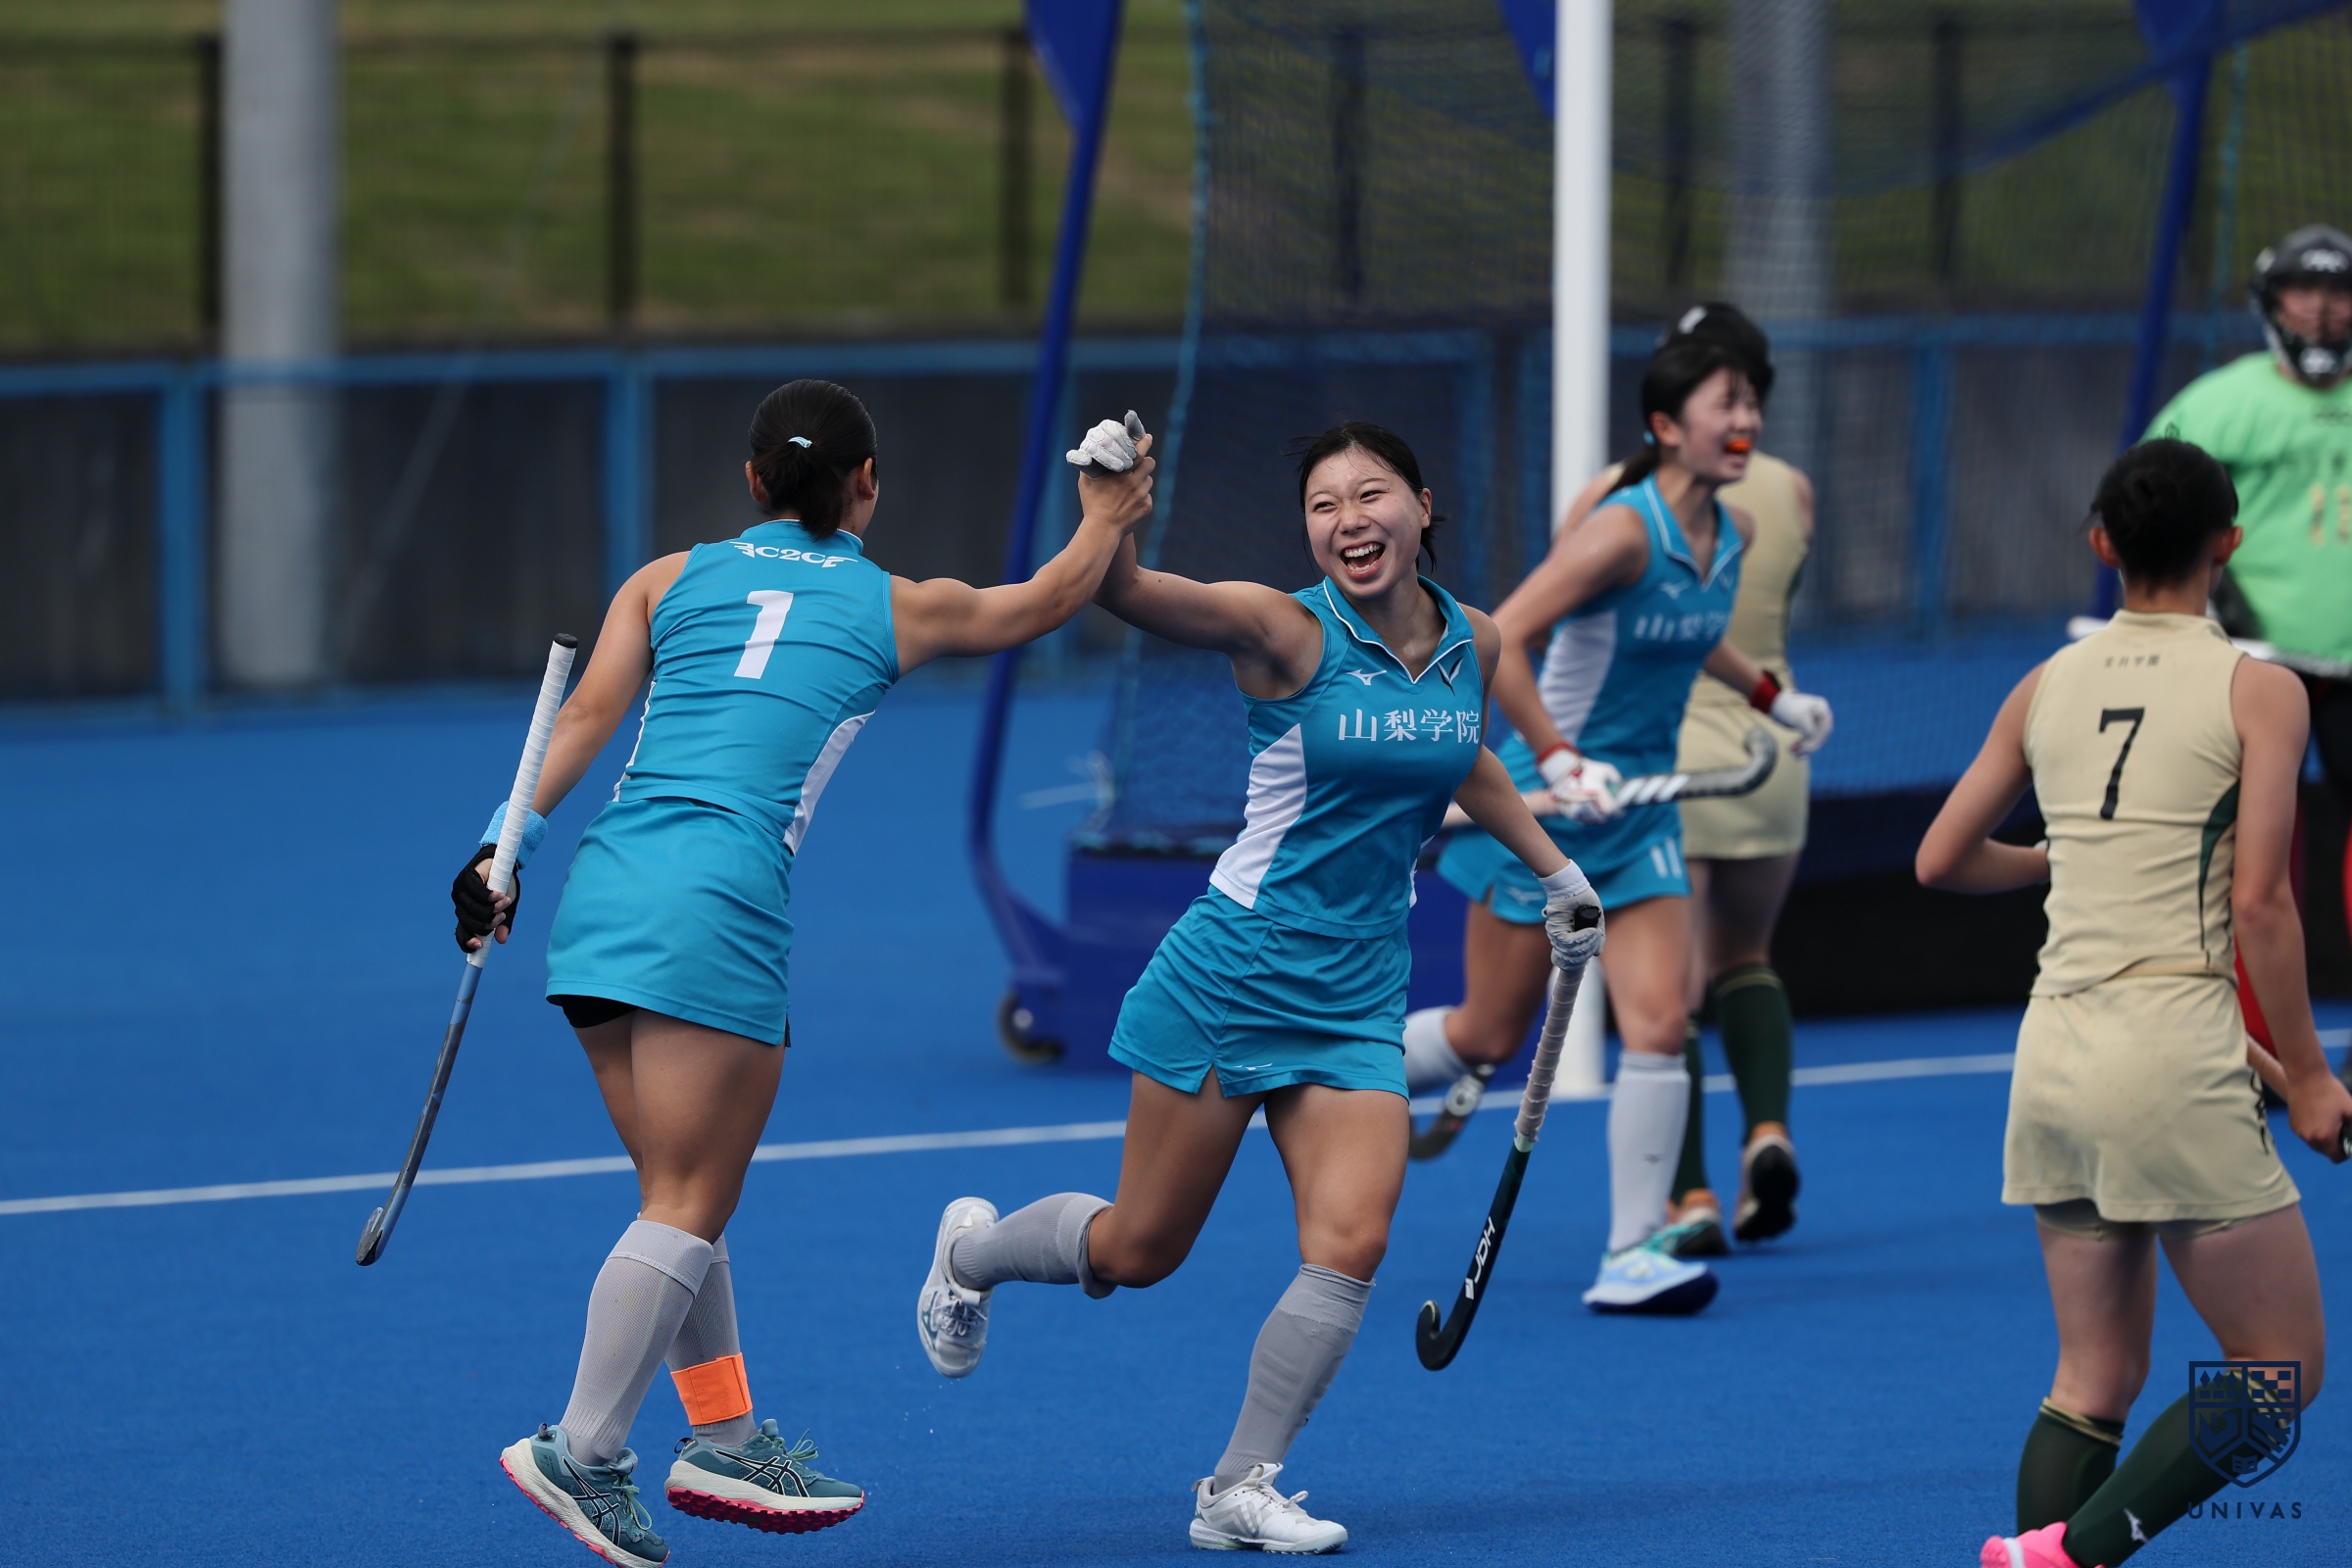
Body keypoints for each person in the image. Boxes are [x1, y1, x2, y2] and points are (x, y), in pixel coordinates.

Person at [451, 379, 1158, 1568]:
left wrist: (497, 850)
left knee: (681, 1193)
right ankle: (583, 1448)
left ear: (751, 482)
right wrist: (1109, 510)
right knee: (688, 1198)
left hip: (606, 894)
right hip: (719, 904)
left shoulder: (665, 580)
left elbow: (577, 724)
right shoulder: (896, 603)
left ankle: (723, 1434)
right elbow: (1047, 599)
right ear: (867, 484)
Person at [913, 421, 1602, 1555]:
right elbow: (1128, 593)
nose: (1348, 521)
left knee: (1353, 1240)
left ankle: (1237, 1485)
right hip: (1234, 976)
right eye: (1324, 506)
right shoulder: (1282, 629)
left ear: (1424, 505)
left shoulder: (1472, 639)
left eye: (1370, 495)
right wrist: (1110, 506)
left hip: (1359, 996)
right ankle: (970, 1255)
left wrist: (1556, 871)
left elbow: (1461, 756)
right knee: (1139, 1250)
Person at [1917, 438, 2352, 1568]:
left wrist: (2054, 858)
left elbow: (1940, 858)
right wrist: (2310, 1076)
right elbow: (2260, 903)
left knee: (2093, 1375)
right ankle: (2066, 1556)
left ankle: (2040, 1554)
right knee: (2279, 1369)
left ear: (2103, 545)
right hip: (2173, 1058)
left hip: (2056, 1052)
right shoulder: (2262, 690)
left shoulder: (2045, 684)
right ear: (2230, 544)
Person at [1404, 331, 1834, 1314]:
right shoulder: (1619, 532)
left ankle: (1631, 1253)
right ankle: (1330, 1076)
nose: (1746, 421)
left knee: (1660, 1021)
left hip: (1641, 815)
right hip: (1547, 810)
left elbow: (1694, 631)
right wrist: (1557, 754)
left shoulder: (1735, 533)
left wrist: (1775, 699)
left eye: (1752, 403)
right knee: (1486, 1031)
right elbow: (1499, 637)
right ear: (1666, 426)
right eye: (1726, 404)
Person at [2145, 224, 2352, 1072]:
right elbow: (2143, 505)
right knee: (2258, 849)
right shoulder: (2217, 403)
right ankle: (2256, 1046)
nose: (2323, 309)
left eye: (2339, 293)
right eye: (2305, 291)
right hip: (2255, 660)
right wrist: (2203, 593)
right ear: (2272, 304)